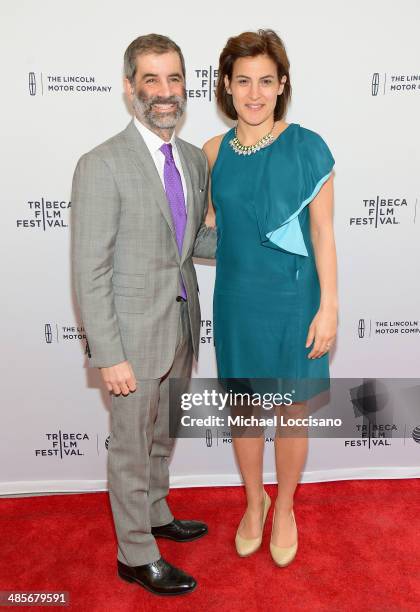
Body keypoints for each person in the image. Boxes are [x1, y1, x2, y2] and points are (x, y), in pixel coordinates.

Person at [71, 33, 216, 596]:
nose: (164, 92)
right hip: (131, 341)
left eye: (174, 78)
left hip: (181, 326)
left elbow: (194, 243)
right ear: (129, 86)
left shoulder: (192, 159)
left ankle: (156, 516)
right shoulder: (101, 164)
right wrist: (109, 355)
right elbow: (90, 270)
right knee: (131, 449)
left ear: (185, 86)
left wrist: (262, 241)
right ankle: (134, 554)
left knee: (160, 438)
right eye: (150, 79)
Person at [203, 29, 338, 567]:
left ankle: (284, 507)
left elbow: (324, 234)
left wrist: (329, 306)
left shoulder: (308, 146)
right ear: (227, 87)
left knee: (290, 411)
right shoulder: (213, 151)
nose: (254, 93)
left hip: (294, 298)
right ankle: (253, 502)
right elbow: (211, 229)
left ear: (282, 85)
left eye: (265, 81)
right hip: (236, 298)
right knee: (243, 409)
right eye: (243, 81)